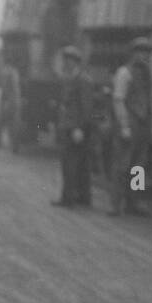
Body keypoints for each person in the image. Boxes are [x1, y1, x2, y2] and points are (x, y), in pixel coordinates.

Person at [109, 37, 152, 217]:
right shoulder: (124, 73)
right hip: (129, 122)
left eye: (147, 53)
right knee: (121, 165)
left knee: (139, 168)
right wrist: (124, 126)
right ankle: (115, 204)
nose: (144, 56)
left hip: (144, 124)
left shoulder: (149, 75)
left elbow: (151, 102)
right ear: (133, 54)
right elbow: (118, 100)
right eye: (140, 52)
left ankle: (133, 203)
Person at [51, 45, 94, 207]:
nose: (66, 63)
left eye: (69, 61)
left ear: (76, 62)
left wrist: (79, 128)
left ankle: (68, 199)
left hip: (75, 128)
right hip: (69, 127)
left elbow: (86, 107)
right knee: (77, 164)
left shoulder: (83, 80)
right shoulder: (71, 78)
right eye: (65, 60)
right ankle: (82, 197)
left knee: (70, 165)